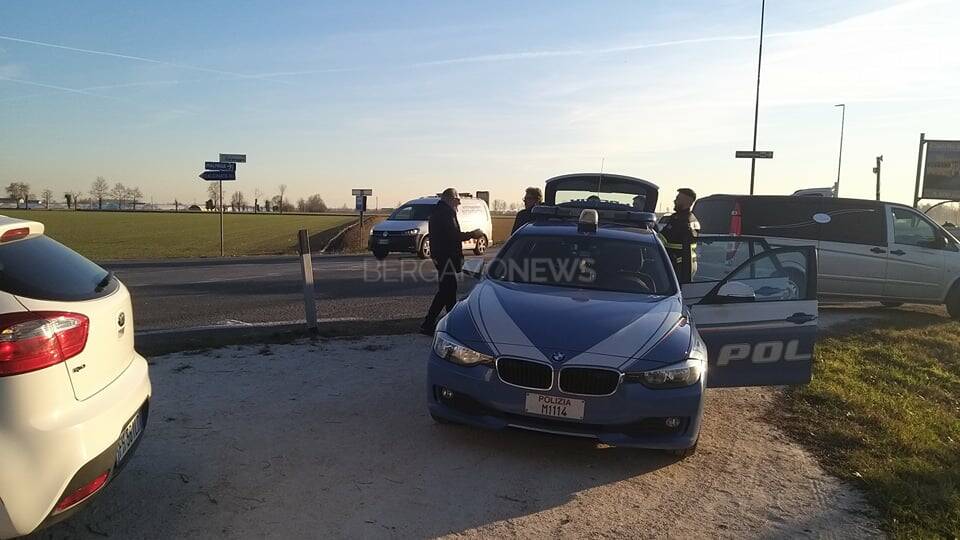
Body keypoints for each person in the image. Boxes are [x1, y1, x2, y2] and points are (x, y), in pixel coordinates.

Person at [421, 188, 484, 335]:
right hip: (446, 256)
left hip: (442, 256)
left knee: (449, 291)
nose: (459, 203)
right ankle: (429, 323)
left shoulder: (439, 212)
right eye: (457, 200)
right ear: (449, 199)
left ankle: (451, 324)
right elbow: (454, 235)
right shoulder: (445, 213)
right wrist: (473, 234)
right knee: (446, 291)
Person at [659, 188, 700, 283]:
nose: (675, 201)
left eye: (678, 198)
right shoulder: (693, 219)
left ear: (686, 201)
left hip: (677, 264)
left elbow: (662, 239)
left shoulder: (680, 220)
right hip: (690, 263)